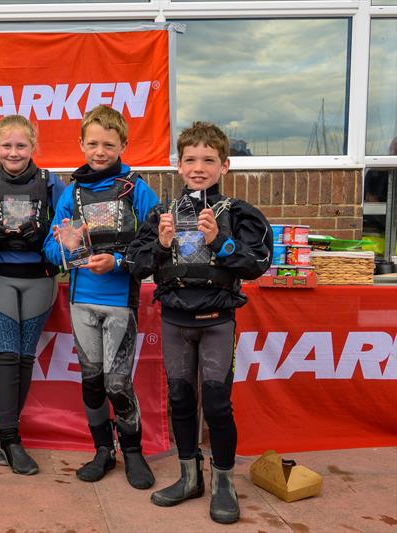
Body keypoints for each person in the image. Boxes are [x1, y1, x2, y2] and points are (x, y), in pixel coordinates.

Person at [127, 122, 272, 524]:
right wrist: (160, 245)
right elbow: (135, 268)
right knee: (180, 401)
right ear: (178, 165)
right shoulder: (161, 213)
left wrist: (220, 243)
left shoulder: (239, 213)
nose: (198, 167)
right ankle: (189, 477)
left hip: (216, 322)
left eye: (209, 159)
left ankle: (224, 483)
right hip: (175, 321)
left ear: (225, 165)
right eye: (190, 159)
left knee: (218, 405)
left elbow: (258, 263)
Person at [42, 105, 158, 489]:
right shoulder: (71, 192)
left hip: (120, 302)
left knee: (118, 384)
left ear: (123, 144)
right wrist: (63, 243)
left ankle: (134, 453)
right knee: (92, 381)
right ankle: (103, 451)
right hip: (81, 303)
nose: (100, 150)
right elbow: (49, 249)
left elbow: (157, 243)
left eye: (109, 143)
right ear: (80, 144)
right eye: (92, 143)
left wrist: (120, 261)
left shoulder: (136, 188)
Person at [0, 115, 66, 475]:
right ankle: (11, 439)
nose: (14, 152)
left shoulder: (52, 184)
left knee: (26, 356)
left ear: (34, 146)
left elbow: (64, 228)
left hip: (40, 277)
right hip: (0, 278)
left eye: (21, 146)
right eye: (7, 146)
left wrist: (46, 240)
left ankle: (4, 439)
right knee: (6, 355)